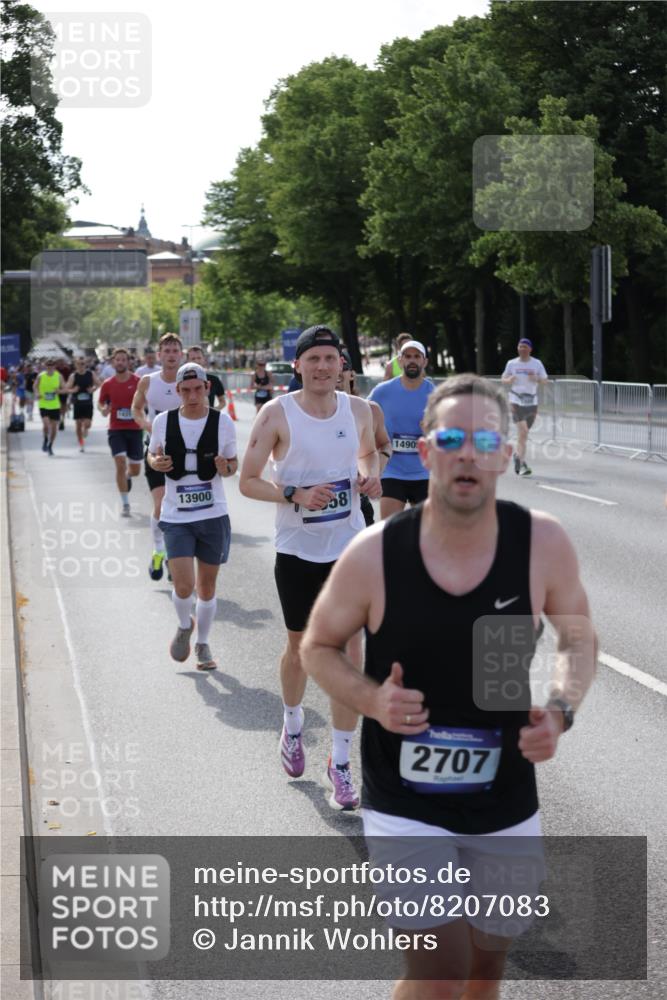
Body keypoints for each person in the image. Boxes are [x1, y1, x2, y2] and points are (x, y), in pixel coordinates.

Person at [302, 373, 597, 999]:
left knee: (486, 967)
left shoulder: (542, 541)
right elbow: (317, 647)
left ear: (504, 454)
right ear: (427, 450)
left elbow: (578, 639)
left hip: (506, 794)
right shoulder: (374, 552)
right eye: (453, 437)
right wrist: (373, 699)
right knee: (440, 970)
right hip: (405, 796)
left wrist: (561, 709)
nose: (469, 452)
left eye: (485, 439)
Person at [239, 325, 381, 810]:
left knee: (350, 656)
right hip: (298, 549)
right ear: (298, 365)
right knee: (300, 648)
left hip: (347, 550)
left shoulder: (359, 410)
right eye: (313, 359)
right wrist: (294, 494)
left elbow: (369, 452)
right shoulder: (276, 414)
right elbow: (248, 481)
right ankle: (294, 724)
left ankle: (341, 764)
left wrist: (371, 477)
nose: (323, 367)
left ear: (342, 365)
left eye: (330, 359)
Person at [147, 362, 237, 671]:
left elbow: (232, 465)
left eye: (198, 389)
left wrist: (226, 467)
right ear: (178, 391)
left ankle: (203, 643)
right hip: (176, 515)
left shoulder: (222, 423)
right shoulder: (163, 421)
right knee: (184, 586)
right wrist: (155, 462)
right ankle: (185, 625)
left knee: (208, 588)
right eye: (185, 391)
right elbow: (152, 454)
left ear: (207, 388)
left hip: (213, 514)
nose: (192, 396)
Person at [131, 332, 184, 577]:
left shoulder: (189, 380)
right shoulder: (148, 381)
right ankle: (159, 551)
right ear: (159, 355)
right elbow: (136, 408)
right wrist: (148, 425)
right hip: (155, 451)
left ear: (180, 354)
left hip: (185, 454)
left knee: (180, 506)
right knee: (161, 503)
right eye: (167, 351)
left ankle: (176, 555)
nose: (171, 355)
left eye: (175, 351)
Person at [369, 340, 434, 519]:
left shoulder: (435, 394)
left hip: (424, 473)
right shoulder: (382, 391)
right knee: (390, 530)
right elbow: (364, 418)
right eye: (407, 356)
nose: (412, 360)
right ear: (400, 361)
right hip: (392, 471)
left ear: (424, 362)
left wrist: (431, 431)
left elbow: (447, 435)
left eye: (416, 356)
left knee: (425, 534)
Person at [339, 349, 392, 526]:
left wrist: (373, 474)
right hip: (323, 508)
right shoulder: (311, 414)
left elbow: (385, 445)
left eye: (343, 365)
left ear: (352, 374)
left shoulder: (370, 409)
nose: (338, 370)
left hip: (360, 504)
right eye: (332, 363)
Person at [98, 348, 142, 516]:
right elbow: (101, 403)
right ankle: (125, 504)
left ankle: (129, 476)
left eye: (123, 359)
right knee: (120, 463)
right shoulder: (108, 384)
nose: (120, 362)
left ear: (128, 362)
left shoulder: (138, 381)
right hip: (116, 429)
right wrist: (103, 409)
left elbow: (147, 400)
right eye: (118, 360)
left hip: (135, 429)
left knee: (136, 470)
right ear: (113, 362)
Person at [501, 338, 548, 476]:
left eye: (524, 347)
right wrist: (508, 380)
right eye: (520, 346)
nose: (522, 349)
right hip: (515, 400)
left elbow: (545, 380)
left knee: (524, 434)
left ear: (530, 349)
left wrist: (537, 379)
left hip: (532, 402)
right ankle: (522, 464)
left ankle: (517, 455)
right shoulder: (512, 363)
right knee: (523, 431)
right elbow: (503, 379)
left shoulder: (537, 363)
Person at [65, 356, 100, 451]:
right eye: (79, 364)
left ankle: (86, 429)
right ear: (76, 365)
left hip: (88, 403)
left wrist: (93, 389)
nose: (81, 365)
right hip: (77, 403)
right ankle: (81, 444)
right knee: (78, 425)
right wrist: (73, 390)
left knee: (87, 424)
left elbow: (99, 383)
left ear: (86, 364)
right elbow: (66, 388)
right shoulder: (73, 376)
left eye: (83, 363)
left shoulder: (90, 374)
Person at [36, 359, 66, 455]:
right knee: (46, 425)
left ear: (54, 366)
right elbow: (35, 386)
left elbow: (64, 388)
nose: (49, 367)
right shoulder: (41, 376)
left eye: (51, 365)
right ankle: (45, 439)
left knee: (54, 428)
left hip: (55, 405)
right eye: (48, 365)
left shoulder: (59, 376)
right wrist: (37, 393)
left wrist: (59, 391)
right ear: (45, 366)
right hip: (43, 404)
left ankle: (50, 445)